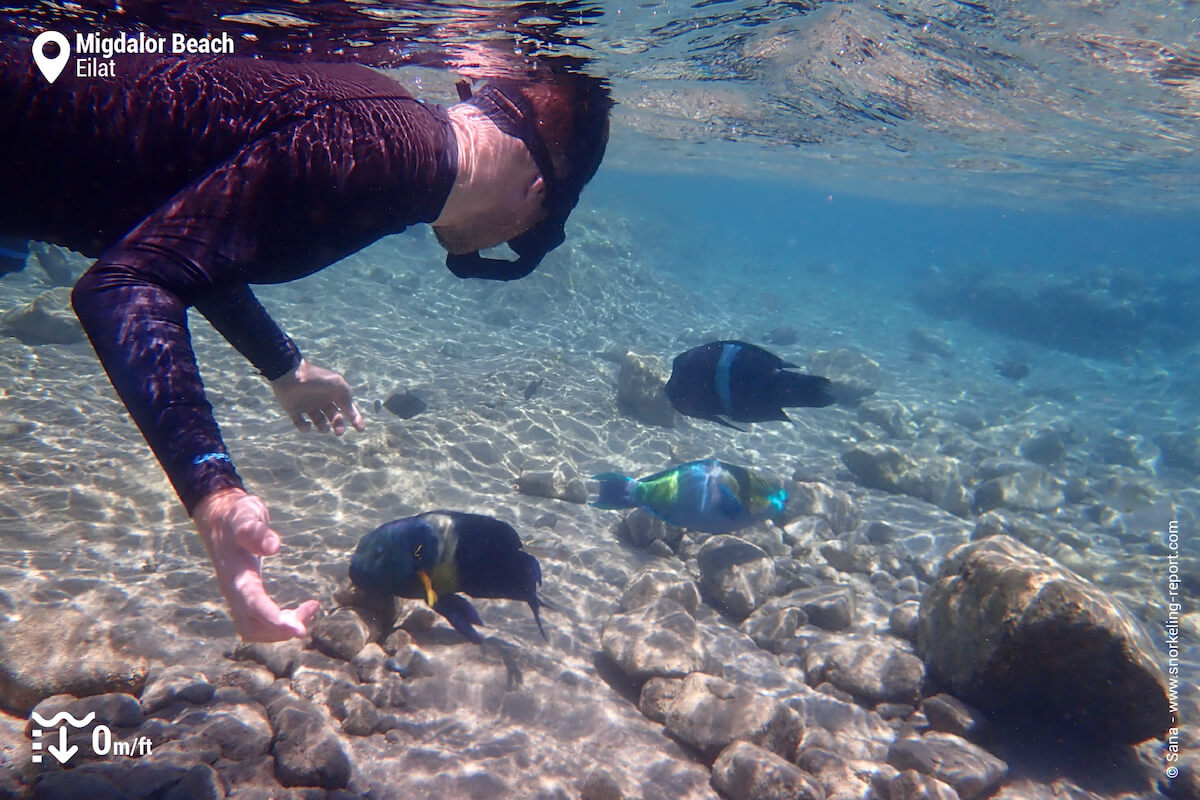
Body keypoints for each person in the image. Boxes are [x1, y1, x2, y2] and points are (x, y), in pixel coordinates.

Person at [0, 41, 611, 641]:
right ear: (538, 193)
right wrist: (214, 493)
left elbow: (190, 233)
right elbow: (127, 281)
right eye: (538, 231)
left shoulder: (392, 130)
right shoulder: (383, 160)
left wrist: (283, 366)